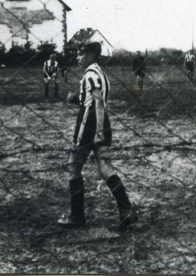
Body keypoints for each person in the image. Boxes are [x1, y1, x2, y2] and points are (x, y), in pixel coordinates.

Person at [58, 42, 138, 229]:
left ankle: (77, 216)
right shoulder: (99, 72)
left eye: (81, 55)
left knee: (73, 166)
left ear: (92, 56)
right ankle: (126, 209)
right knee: (104, 166)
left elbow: (98, 102)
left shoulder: (91, 74)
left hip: (89, 123)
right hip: (100, 121)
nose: (77, 58)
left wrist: (98, 131)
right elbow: (92, 97)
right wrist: (75, 98)